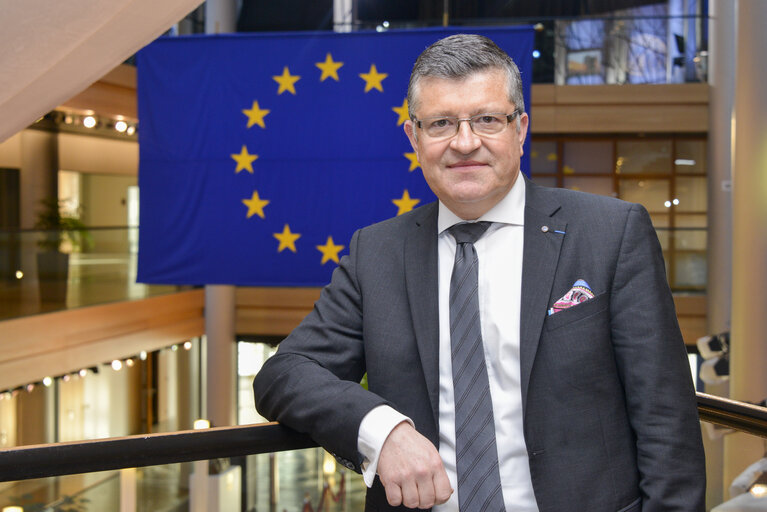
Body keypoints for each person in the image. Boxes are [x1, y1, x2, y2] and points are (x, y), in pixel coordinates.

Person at [253, 33, 705, 511]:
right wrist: (382, 430)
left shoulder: (611, 233)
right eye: (441, 123)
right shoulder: (377, 252)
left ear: (520, 128)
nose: (465, 143)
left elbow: (666, 422)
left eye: (487, 120)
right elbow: (285, 374)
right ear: (414, 137)